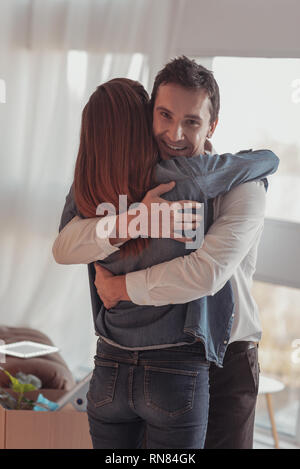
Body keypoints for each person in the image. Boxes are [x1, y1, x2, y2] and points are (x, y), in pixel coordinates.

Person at [53, 57, 279, 449]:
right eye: (164, 115)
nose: (175, 133)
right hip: (162, 361)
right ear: (149, 115)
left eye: (191, 121)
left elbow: (206, 273)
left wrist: (121, 288)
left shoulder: (244, 185)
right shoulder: (133, 180)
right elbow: (67, 243)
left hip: (228, 357)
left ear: (212, 125)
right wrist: (132, 220)